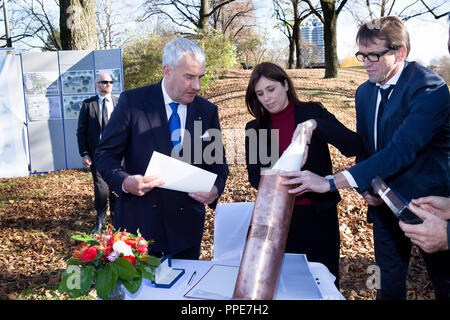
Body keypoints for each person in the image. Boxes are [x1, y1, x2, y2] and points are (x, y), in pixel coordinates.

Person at [281, 16, 450, 300]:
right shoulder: (364, 92)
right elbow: (366, 146)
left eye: (374, 55)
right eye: (362, 54)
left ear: (400, 52)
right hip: (383, 206)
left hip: (430, 208)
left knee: (444, 282)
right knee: (386, 284)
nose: (366, 62)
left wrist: (332, 182)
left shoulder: (429, 87)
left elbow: (402, 149)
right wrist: (365, 184)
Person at [94, 38, 229, 260]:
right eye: (189, 77)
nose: (197, 86)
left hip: (186, 231)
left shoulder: (207, 111)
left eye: (200, 77)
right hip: (138, 230)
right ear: (167, 70)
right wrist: (124, 181)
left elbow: (218, 162)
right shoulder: (133, 102)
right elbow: (105, 154)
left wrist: (216, 187)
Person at [244, 62, 368, 287]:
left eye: (271, 89)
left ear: (285, 84)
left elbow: (353, 146)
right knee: (287, 286)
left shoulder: (312, 112)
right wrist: (285, 171)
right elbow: (255, 178)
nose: (266, 98)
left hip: (318, 215)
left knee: (323, 283)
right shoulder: (254, 129)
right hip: (278, 219)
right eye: (260, 93)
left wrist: (314, 125)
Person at [77, 72, 118, 233]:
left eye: (110, 82)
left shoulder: (119, 102)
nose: (107, 84)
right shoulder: (88, 104)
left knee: (116, 188)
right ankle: (100, 220)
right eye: (103, 82)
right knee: (100, 189)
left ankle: (116, 220)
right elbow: (81, 131)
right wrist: (84, 153)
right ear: (96, 85)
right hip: (97, 154)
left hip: (117, 153)